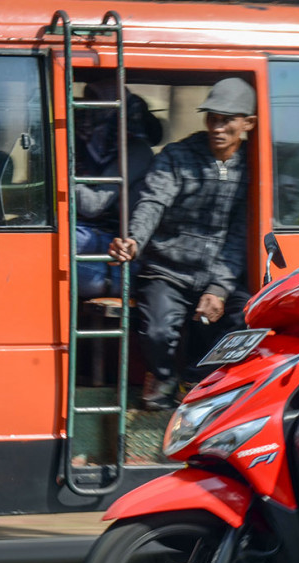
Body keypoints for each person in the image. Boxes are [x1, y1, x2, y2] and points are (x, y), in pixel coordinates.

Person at [109, 77, 256, 410]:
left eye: (227, 120)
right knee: (157, 330)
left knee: (246, 318)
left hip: (221, 275)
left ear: (248, 123)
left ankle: (195, 379)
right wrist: (133, 239)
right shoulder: (177, 156)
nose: (217, 127)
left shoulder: (254, 166)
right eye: (212, 118)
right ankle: (163, 377)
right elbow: (153, 201)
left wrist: (218, 289)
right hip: (167, 269)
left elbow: (238, 235)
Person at [75, 83, 161, 298]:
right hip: (97, 236)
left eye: (92, 104)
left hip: (121, 252)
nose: (85, 112)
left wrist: (60, 172)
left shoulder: (135, 151)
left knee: (66, 239)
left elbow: (92, 205)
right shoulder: (93, 147)